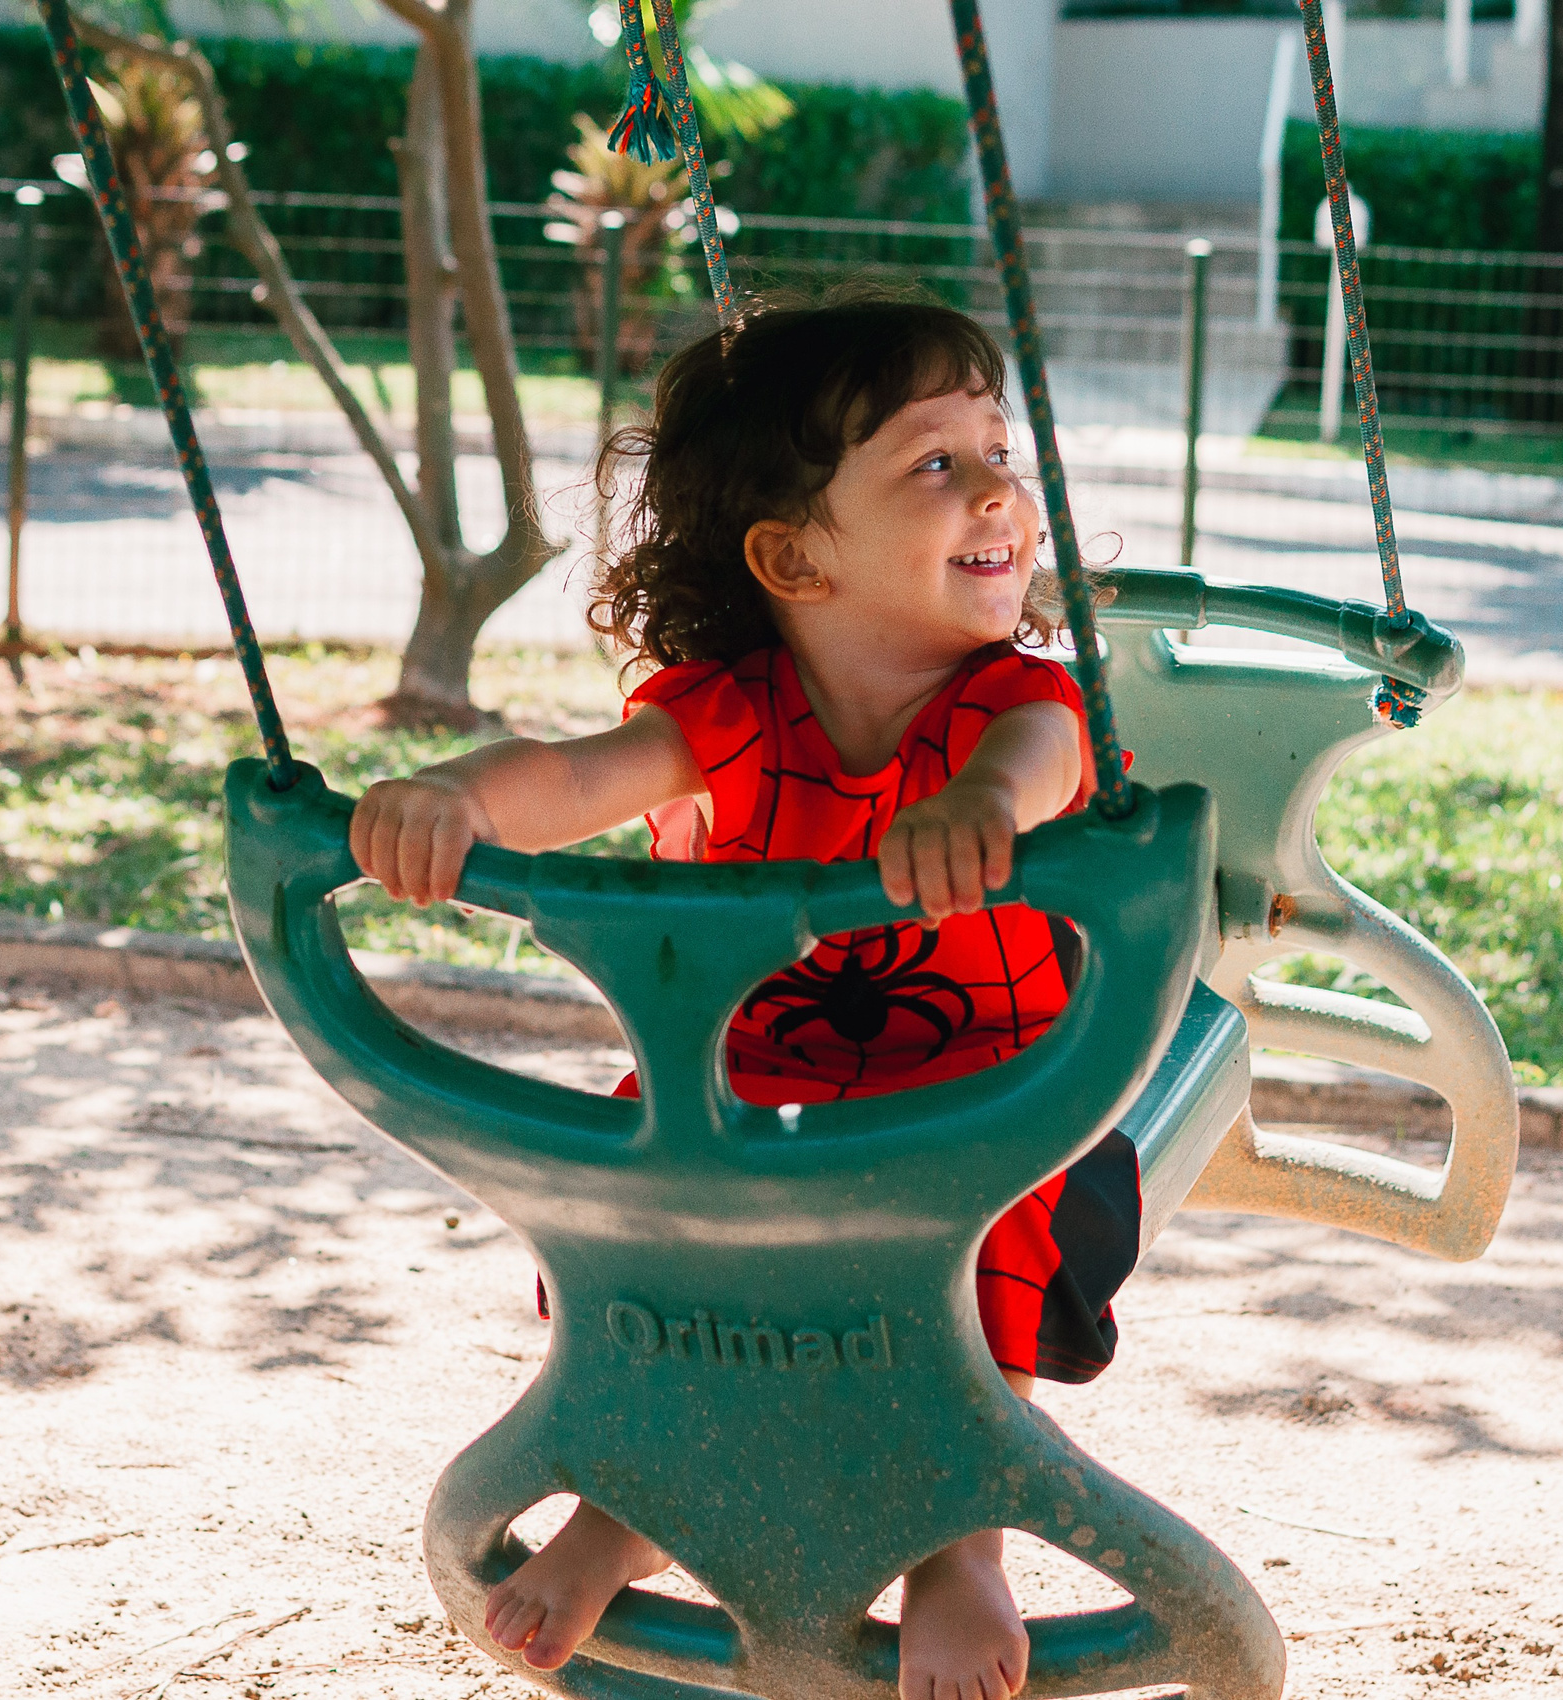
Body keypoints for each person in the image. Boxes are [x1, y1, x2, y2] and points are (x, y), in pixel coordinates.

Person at [347, 292, 1142, 1700]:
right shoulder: (738, 707)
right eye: (934, 463)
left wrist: (976, 811)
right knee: (662, 1221)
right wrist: (453, 800)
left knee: (969, 1244)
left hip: (983, 1075)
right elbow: (581, 776)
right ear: (795, 557)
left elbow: (1040, 769)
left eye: (995, 448)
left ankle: (956, 1550)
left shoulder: (1016, 700)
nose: (997, 487)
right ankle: (629, 1506)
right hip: (757, 1067)